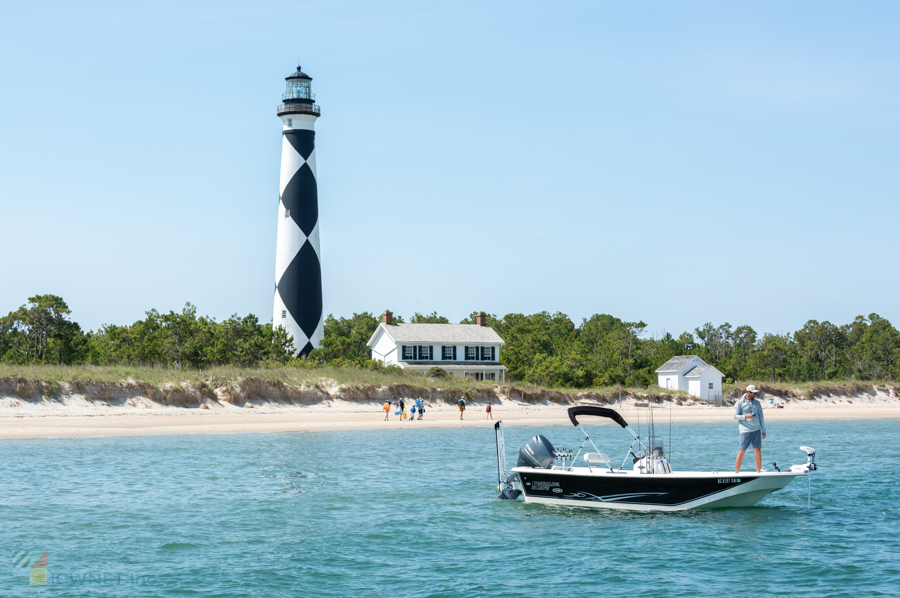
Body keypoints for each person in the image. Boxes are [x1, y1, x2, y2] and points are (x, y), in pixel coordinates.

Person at [734, 384, 767, 473]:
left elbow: (761, 417)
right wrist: (746, 416)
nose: (754, 395)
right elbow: (735, 416)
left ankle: (758, 472)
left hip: (756, 430)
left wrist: (763, 430)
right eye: (753, 393)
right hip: (745, 431)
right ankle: (736, 472)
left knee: (757, 451)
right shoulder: (740, 403)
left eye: (756, 393)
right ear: (747, 392)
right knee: (742, 451)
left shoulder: (757, 403)